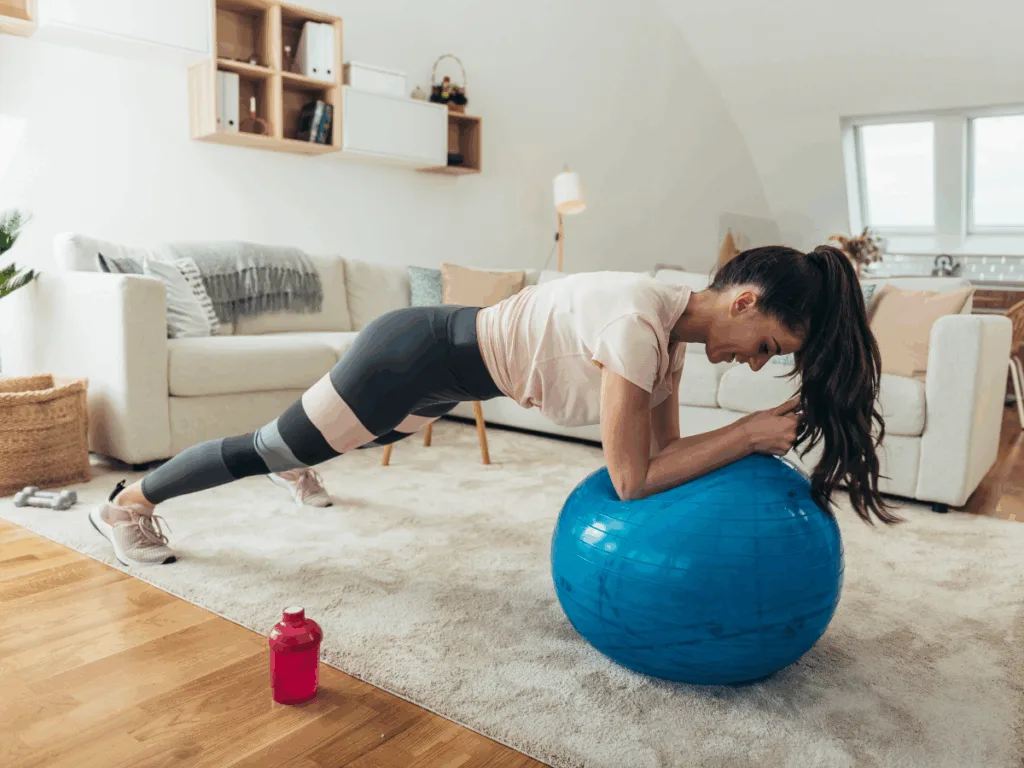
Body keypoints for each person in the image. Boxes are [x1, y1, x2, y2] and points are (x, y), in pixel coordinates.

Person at [89, 244, 898, 567]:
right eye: (768, 347)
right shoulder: (637, 326)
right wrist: (751, 432)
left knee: (331, 447)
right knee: (274, 446)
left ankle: (302, 466)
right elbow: (630, 482)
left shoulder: (668, 335)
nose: (757, 365)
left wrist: (737, 441)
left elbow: (665, 467)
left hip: (449, 377)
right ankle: (128, 502)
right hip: (409, 357)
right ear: (747, 301)